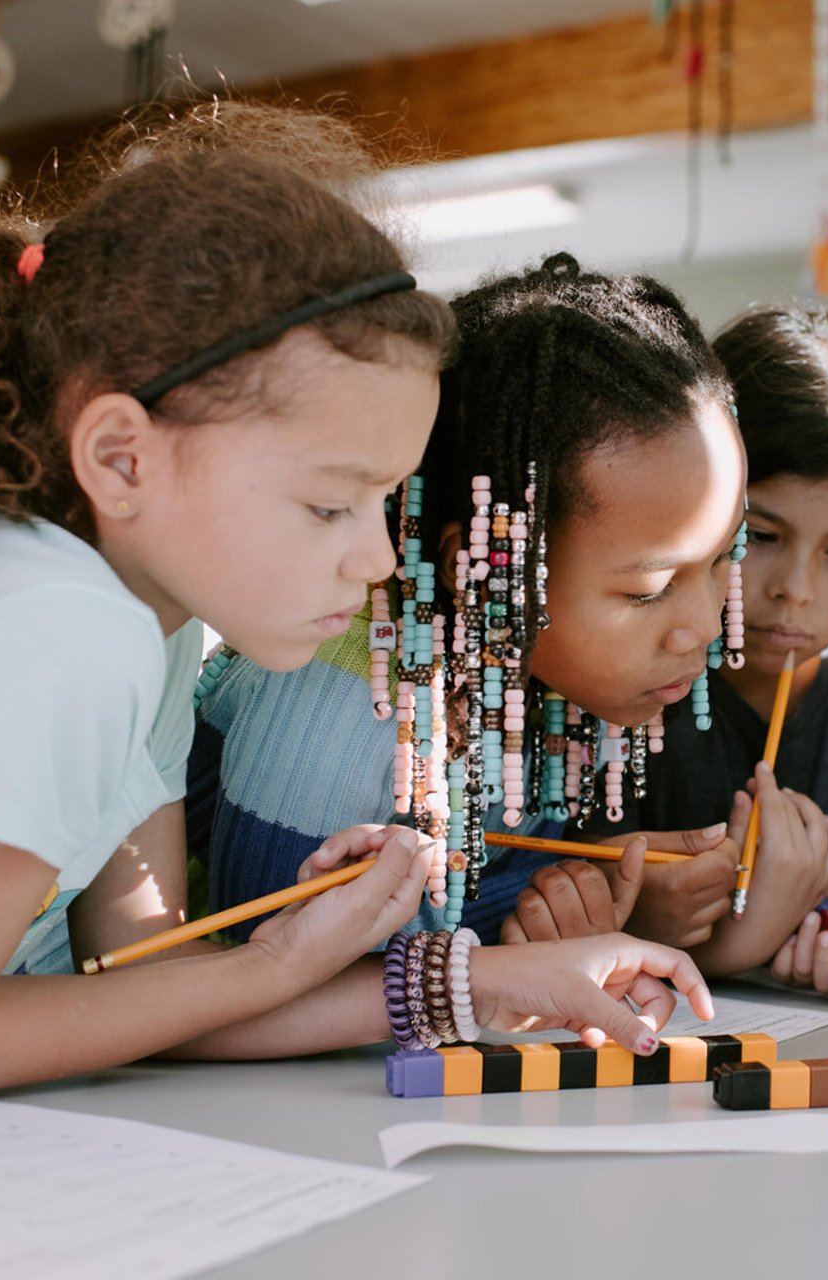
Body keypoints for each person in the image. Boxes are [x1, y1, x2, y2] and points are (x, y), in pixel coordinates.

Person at [0, 110, 706, 1098]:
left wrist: (473, 981)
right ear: (120, 456)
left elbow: (140, 984)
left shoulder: (148, 625)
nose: (374, 557)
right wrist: (274, 962)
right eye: (329, 503)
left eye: (384, 502)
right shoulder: (64, 629)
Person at [188, 252, 792, 950]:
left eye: (725, 561)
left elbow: (477, 885)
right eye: (649, 591)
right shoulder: (349, 708)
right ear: (480, 570)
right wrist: (523, 925)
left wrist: (575, 895)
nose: (702, 628)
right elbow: (257, 968)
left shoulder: (555, 680)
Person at [578, 305, 828, 987]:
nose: (796, 591)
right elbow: (557, 885)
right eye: (760, 539)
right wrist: (638, 914)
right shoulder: (612, 661)